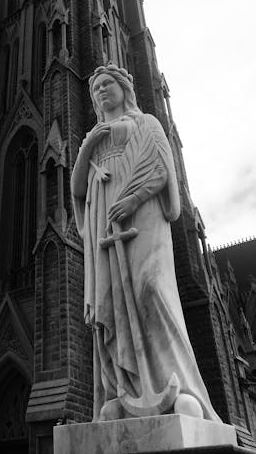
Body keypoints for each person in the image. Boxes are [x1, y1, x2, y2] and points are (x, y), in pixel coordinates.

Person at [71, 63, 220, 422]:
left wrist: (133, 199)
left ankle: (179, 386)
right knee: (111, 301)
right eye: (95, 89)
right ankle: (122, 388)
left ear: (125, 88)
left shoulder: (147, 124)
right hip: (103, 222)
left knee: (152, 288)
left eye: (107, 84)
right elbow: (76, 188)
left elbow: (160, 169)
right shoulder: (95, 135)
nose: (101, 92)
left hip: (142, 217)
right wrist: (89, 144)